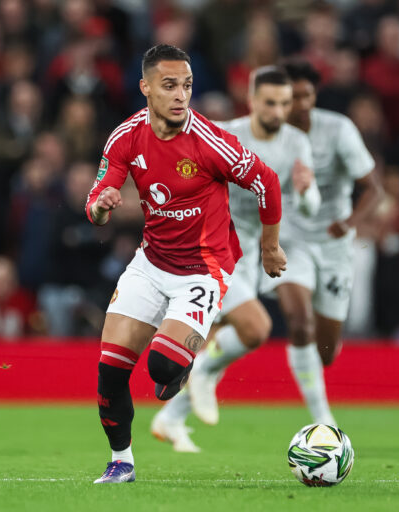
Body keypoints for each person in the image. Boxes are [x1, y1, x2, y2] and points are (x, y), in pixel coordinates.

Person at [84, 44, 286, 484]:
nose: (181, 96)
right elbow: (94, 204)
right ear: (146, 88)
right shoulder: (125, 137)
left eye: (187, 86)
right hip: (150, 265)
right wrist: (103, 206)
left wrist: (270, 248)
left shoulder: (210, 142)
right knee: (109, 371)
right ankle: (121, 462)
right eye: (170, 85)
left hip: (203, 269)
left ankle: (182, 363)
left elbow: (267, 182)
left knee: (161, 368)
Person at [151, 66, 320, 452]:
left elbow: (309, 207)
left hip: (253, 256)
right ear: (252, 100)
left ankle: (171, 416)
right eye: (270, 103)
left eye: (284, 103)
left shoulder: (296, 142)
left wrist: (307, 191)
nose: (278, 111)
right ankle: (201, 377)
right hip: (214, 247)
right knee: (253, 327)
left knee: (227, 335)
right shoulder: (226, 135)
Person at [264, 59, 382, 425]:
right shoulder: (268, 135)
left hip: (333, 245)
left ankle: (324, 346)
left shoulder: (339, 130)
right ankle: (322, 418)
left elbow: (373, 190)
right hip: (292, 241)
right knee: (299, 321)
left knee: (326, 351)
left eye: (307, 95)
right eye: (292, 97)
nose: (300, 104)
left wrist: (349, 222)